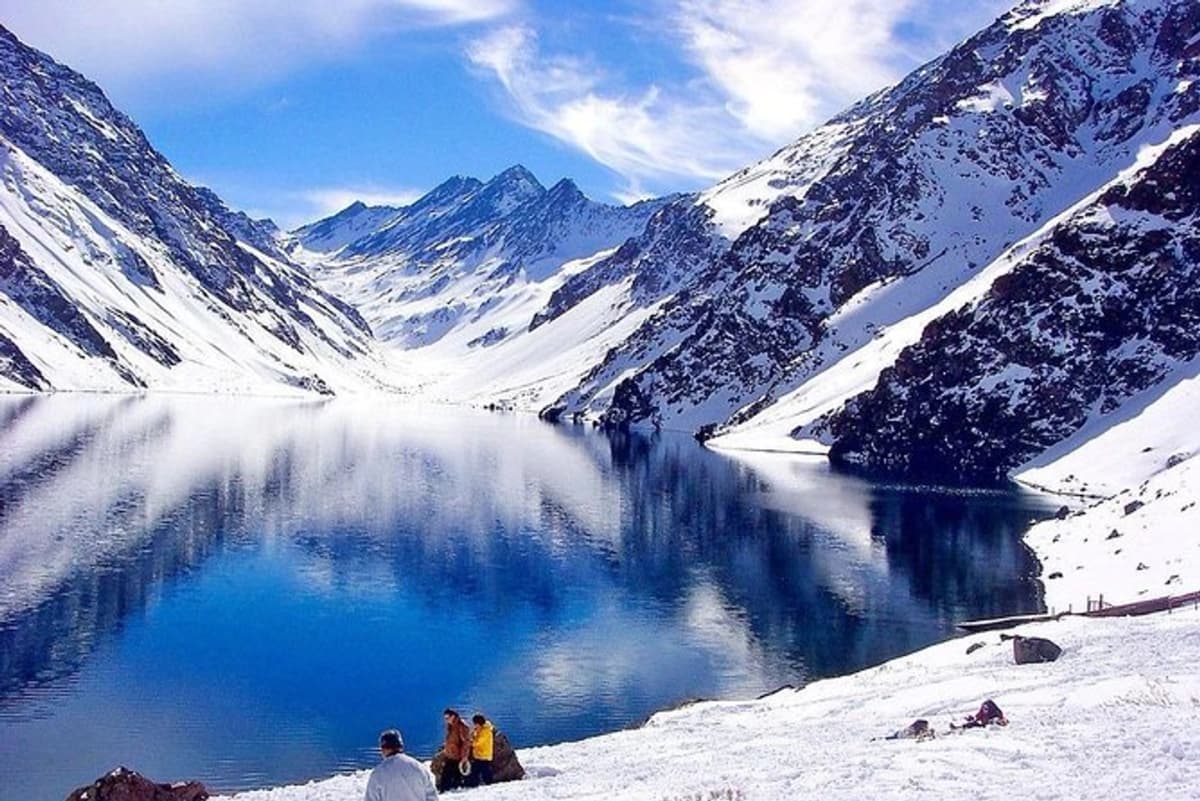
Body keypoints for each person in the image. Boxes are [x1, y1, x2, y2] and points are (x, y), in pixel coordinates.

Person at [364, 729, 439, 801]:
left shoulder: (378, 773)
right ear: (401, 746)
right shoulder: (418, 767)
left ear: (383, 749)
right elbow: (432, 797)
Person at [437, 708, 472, 792]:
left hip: (457, 756)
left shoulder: (461, 726)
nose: (446, 720)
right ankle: (455, 789)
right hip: (450, 754)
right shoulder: (451, 726)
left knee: (446, 774)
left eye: (447, 718)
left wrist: (464, 757)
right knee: (455, 775)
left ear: (453, 716)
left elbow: (466, 743)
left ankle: (444, 791)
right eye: (445, 718)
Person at [468, 713, 495, 787]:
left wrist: (471, 743)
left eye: (475, 723)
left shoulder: (486, 731)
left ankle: (489, 785)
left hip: (484, 756)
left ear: (479, 723)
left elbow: (479, 742)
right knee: (476, 771)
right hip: (479, 755)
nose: (474, 725)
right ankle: (475, 784)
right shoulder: (479, 730)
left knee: (484, 772)